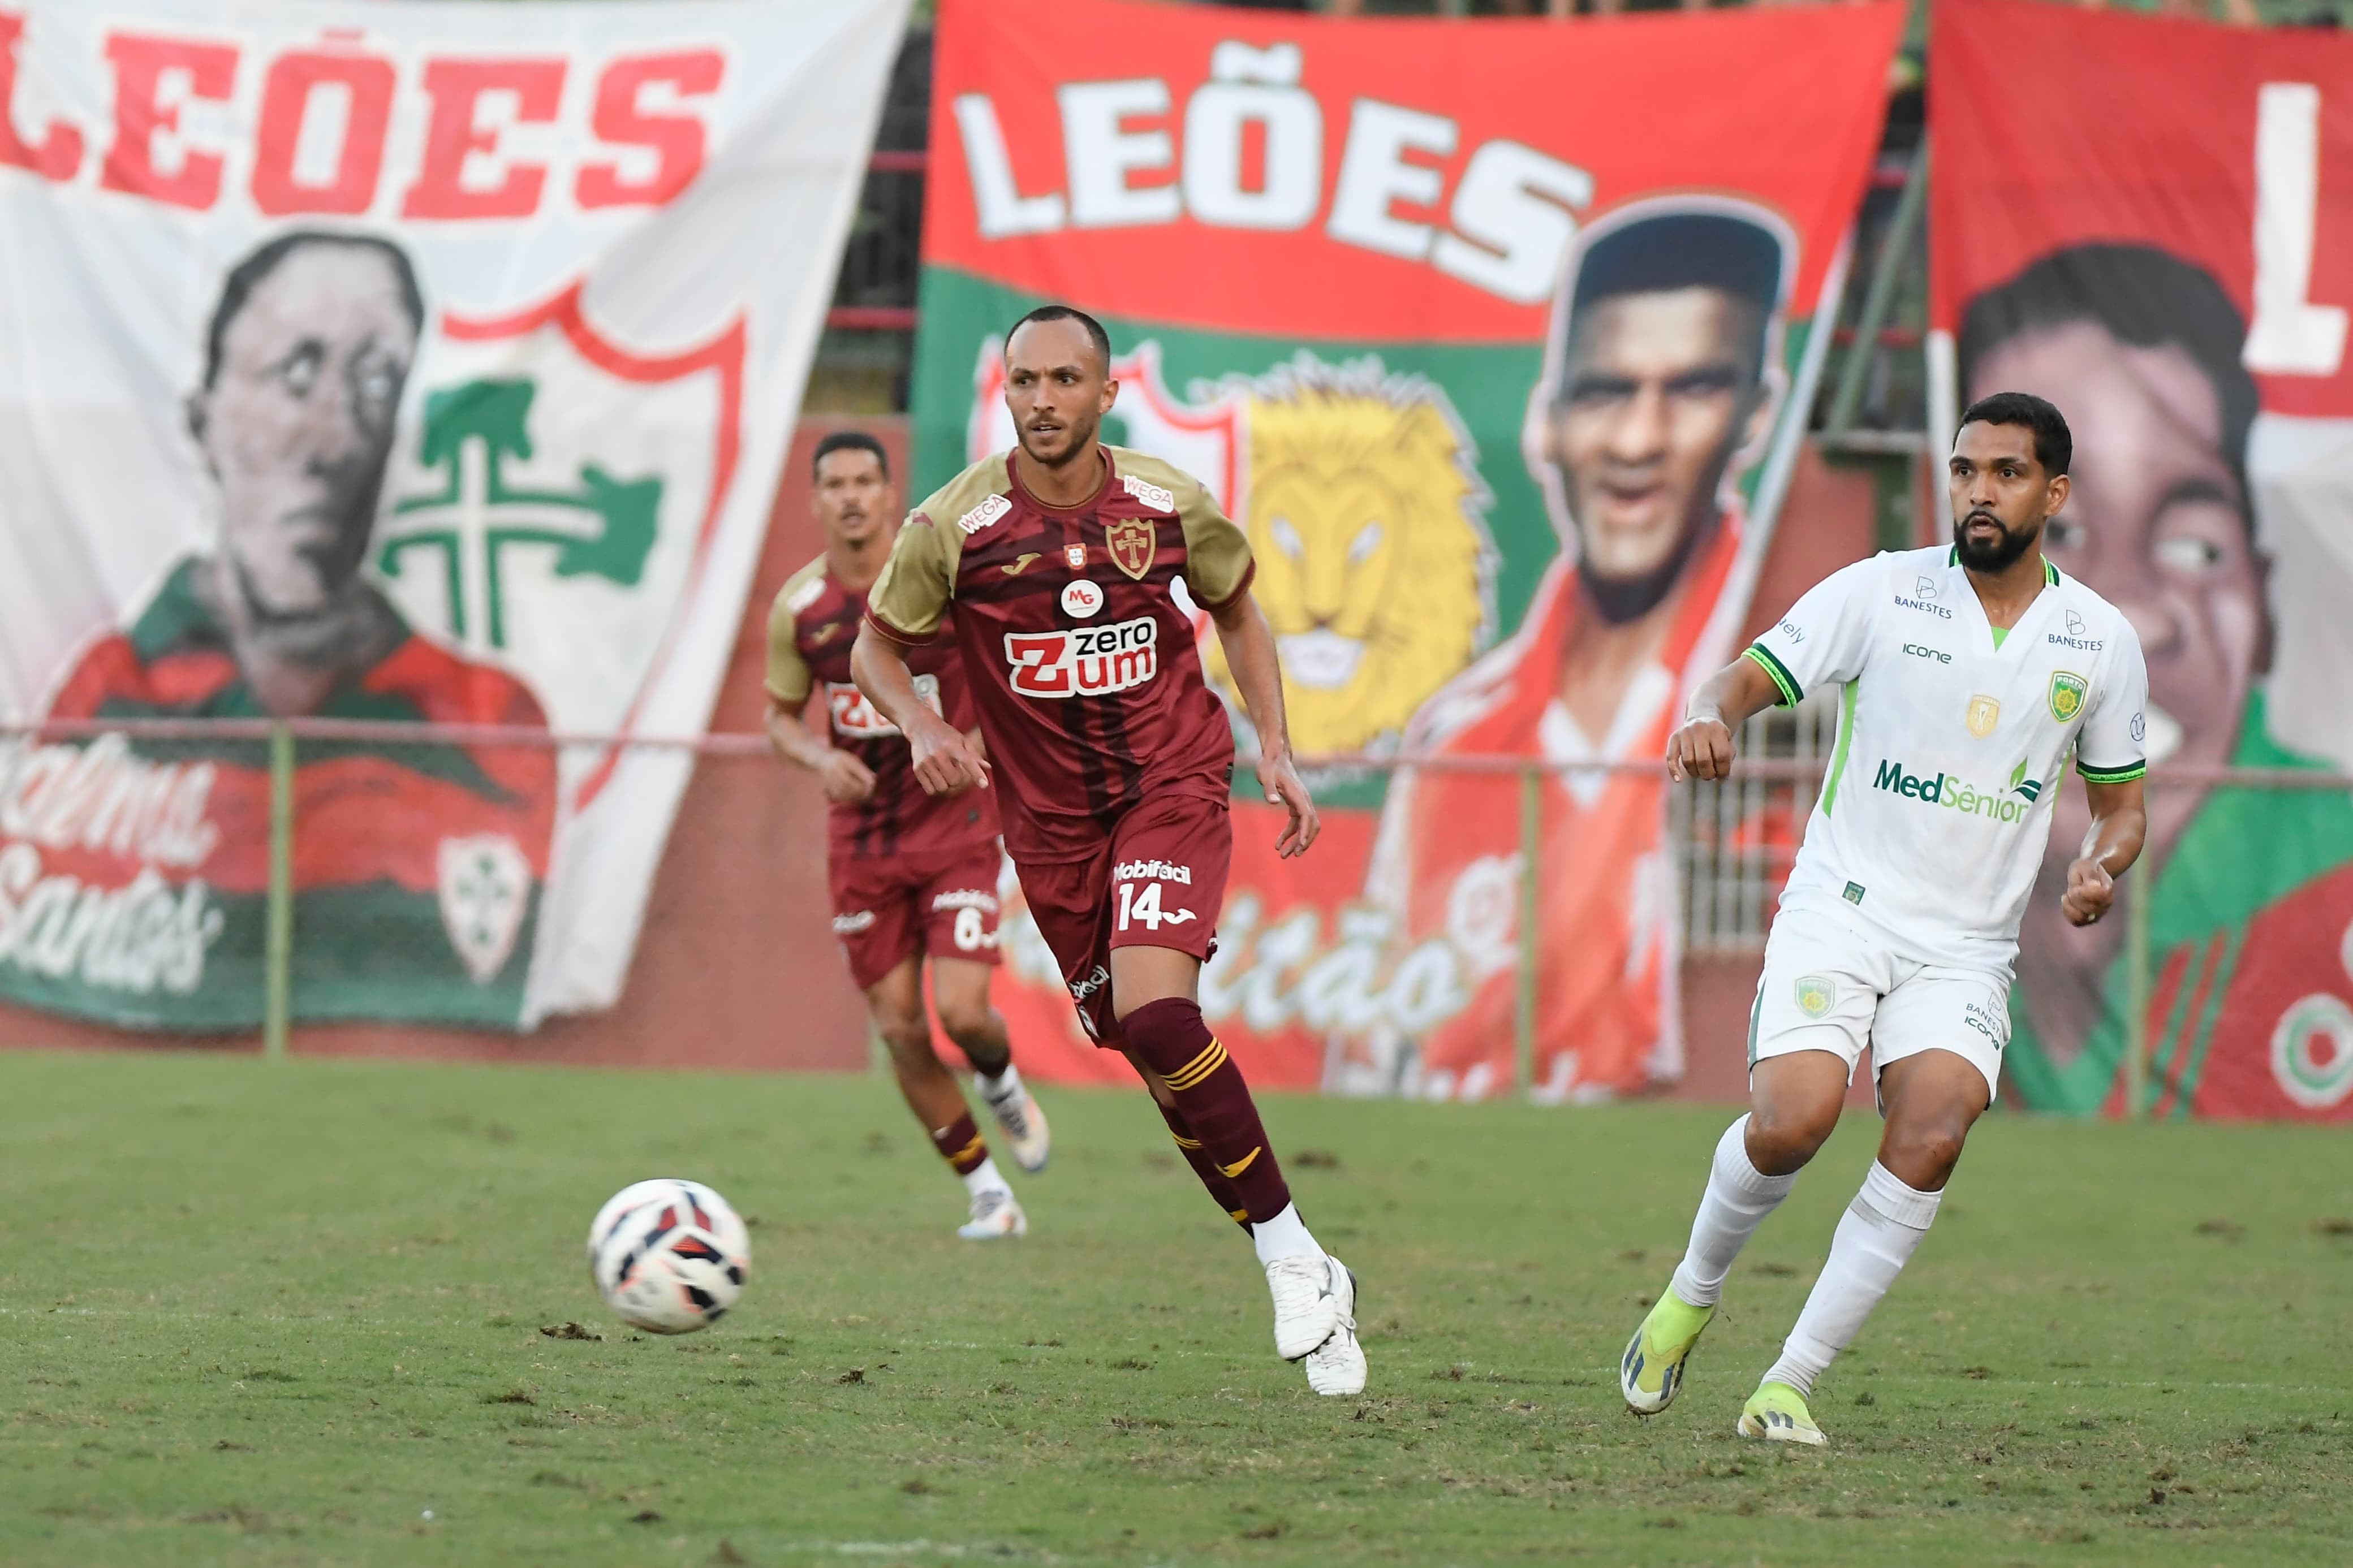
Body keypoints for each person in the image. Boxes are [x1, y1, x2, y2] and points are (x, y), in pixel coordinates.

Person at [850, 305, 1365, 1396]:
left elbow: (1240, 613)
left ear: (1107, 391)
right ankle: (1310, 1260)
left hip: (1171, 783)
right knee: (1146, 1050)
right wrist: (926, 725)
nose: (1042, 400)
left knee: (1163, 1012)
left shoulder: (1167, 503)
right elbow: (875, 649)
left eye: (1065, 380)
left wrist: (1271, 745)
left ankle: (1285, 1254)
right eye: (1024, 380)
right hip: (1049, 831)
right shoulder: (954, 527)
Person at [1620, 391, 2151, 1444]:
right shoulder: (1883, 591)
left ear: (2054, 493)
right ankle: (1690, 1291)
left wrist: (2098, 864)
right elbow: (1746, 677)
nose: (1978, 491)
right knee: (1794, 1120)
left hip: (1966, 948)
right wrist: (1706, 717)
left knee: (1936, 1129)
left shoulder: (2099, 639)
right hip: (1844, 907)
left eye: (2004, 473)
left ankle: (1790, 1381)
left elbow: (2122, 807)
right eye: (1964, 471)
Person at [42, 230, 555, 1013]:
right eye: (296, 372)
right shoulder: (103, 695)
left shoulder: (485, 722)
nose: (335, 434)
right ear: (201, 418)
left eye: (379, 384)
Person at [1360, 200, 1790, 1099]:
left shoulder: (1794, 704)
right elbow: (1375, 1045)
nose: (1638, 441)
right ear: (1547, 423)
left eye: (1693, 388)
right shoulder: (1454, 740)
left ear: (1757, 415)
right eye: (1604, 393)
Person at [1958, 243, 2353, 1118]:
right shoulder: (1918, 838)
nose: (2130, 614)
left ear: (2264, 606)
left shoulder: (2328, 875)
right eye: (2054, 537)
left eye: (2193, 548)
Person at [765, 429, 1050, 1239]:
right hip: (863, 844)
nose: (852, 496)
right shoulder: (802, 611)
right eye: (835, 483)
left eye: (865, 480)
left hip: (955, 826)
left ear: (891, 494)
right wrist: (820, 756)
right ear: (816, 500)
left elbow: (1015, 677)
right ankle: (989, 1193)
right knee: (897, 1026)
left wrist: (974, 749)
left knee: (962, 1015)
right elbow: (778, 720)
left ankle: (999, 1082)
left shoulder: (942, 578)